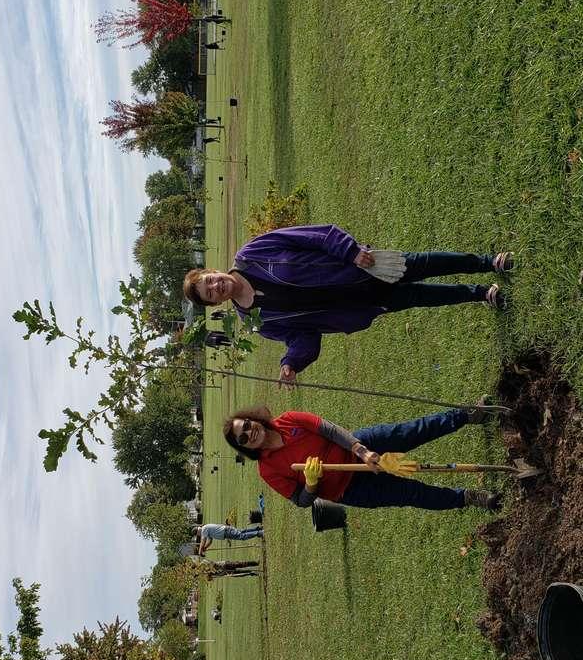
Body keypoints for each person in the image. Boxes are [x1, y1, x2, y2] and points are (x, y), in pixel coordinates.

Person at [182, 224, 513, 385]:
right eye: (210, 293)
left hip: (359, 267)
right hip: (357, 306)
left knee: (424, 264)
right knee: (420, 298)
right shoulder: (256, 322)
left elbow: (313, 236)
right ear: (216, 304)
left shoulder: (253, 253)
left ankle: (488, 262)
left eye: (209, 280)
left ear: (212, 270)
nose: (215, 286)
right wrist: (291, 363)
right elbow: (303, 336)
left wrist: (350, 251)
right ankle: (480, 293)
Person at [222, 404, 501, 512]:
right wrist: (311, 483)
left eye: (246, 425)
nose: (250, 432)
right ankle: (468, 497)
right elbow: (301, 501)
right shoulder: (268, 469)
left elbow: (329, 430)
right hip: (351, 489)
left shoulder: (288, 420)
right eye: (243, 437)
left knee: (412, 431)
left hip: (358, 446)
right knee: (413, 494)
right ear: (245, 447)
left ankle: (468, 415)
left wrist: (363, 451)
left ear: (252, 419)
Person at [194, 522, 263, 555]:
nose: (199, 536)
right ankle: (257, 529)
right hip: (226, 531)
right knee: (242, 532)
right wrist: (205, 548)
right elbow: (210, 541)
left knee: (242, 536)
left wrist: (200, 552)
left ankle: (259, 533)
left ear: (197, 532)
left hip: (226, 532)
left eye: (198, 535)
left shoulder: (203, 530)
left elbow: (203, 541)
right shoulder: (205, 530)